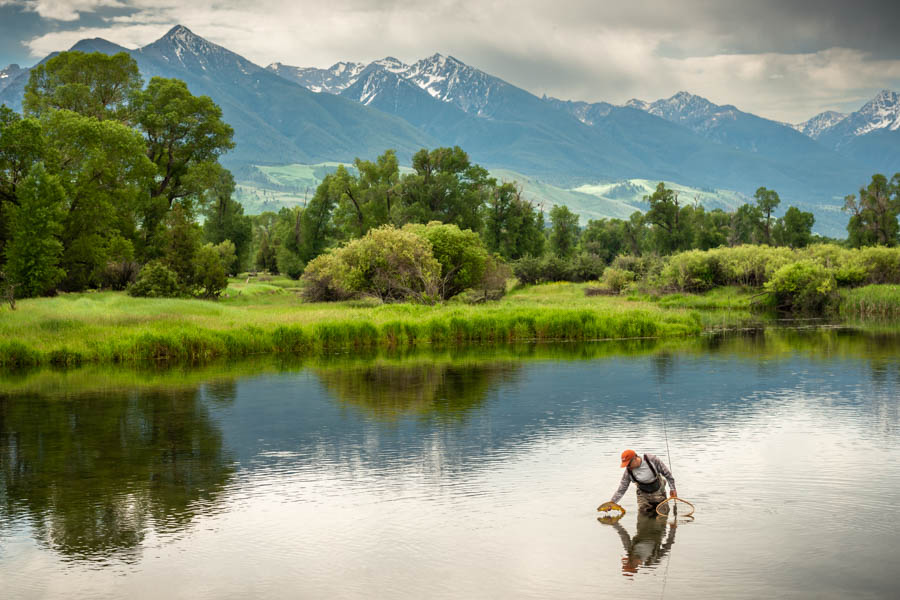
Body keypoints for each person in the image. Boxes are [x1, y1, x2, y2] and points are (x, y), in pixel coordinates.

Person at [607, 449, 677, 515]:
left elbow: (667, 474)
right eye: (626, 465)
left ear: (635, 458)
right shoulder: (628, 471)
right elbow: (621, 489)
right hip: (642, 494)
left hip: (658, 490)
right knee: (643, 516)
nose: (628, 467)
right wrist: (612, 502)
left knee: (663, 513)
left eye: (628, 464)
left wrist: (673, 489)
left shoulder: (651, 460)